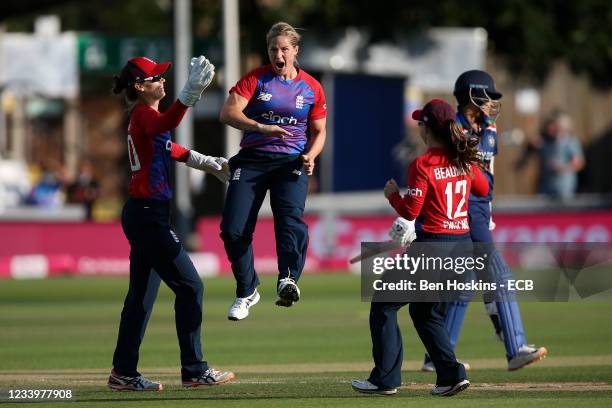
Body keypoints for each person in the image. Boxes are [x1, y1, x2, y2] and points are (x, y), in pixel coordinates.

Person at [107, 56, 234, 391]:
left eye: (164, 75)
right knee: (191, 287)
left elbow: (170, 146)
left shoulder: (146, 118)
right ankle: (194, 369)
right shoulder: (145, 115)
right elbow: (166, 125)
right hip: (147, 216)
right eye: (156, 77)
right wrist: (189, 94)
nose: (163, 80)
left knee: (141, 299)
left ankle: (123, 372)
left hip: (145, 214)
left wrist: (206, 162)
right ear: (139, 86)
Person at [352, 99, 488, 397]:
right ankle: (451, 375)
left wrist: (392, 196)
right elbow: (483, 189)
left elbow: (411, 211)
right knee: (426, 314)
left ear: (428, 128)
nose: (418, 128)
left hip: (433, 248)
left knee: (383, 306)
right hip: (462, 247)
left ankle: (385, 380)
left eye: (420, 123)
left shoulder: (424, 164)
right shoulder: (464, 160)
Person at [421, 70, 548, 373]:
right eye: (487, 96)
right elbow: (480, 155)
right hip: (466, 208)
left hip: (478, 208)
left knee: (462, 285)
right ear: (472, 96)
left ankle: (438, 356)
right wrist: (489, 129)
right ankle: (515, 348)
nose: (492, 102)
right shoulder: (458, 127)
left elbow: (486, 171)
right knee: (499, 275)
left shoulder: (482, 125)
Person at [219, 22, 327, 321]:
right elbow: (228, 112)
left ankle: (288, 279)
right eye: (272, 49)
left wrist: (311, 156)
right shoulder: (256, 79)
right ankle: (247, 289)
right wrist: (260, 127)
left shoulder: (311, 87)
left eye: (283, 49)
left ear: (295, 51)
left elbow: (319, 131)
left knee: (289, 220)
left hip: (290, 163)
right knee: (233, 229)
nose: (277, 54)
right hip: (252, 160)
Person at [536, 111, 584, 199]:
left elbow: (579, 163)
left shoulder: (570, 141)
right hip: (546, 187)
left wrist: (562, 168)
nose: (551, 128)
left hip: (564, 188)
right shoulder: (546, 141)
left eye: (554, 125)